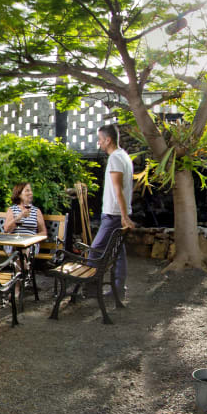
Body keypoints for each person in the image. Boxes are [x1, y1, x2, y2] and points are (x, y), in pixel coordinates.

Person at [90, 124, 134, 297]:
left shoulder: (115, 158)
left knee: (95, 249)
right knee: (119, 252)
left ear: (108, 140)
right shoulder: (124, 156)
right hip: (117, 213)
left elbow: (118, 190)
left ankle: (90, 287)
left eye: (100, 140)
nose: (99, 143)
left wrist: (123, 216)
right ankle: (118, 289)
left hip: (113, 215)